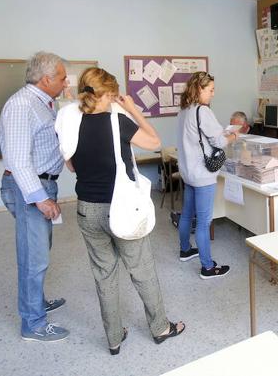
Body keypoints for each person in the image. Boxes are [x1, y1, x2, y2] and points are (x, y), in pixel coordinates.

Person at [56, 67, 185, 354]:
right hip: (122, 208)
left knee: (104, 274)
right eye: (113, 94)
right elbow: (155, 142)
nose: (116, 99)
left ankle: (114, 338)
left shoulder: (70, 122)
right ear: (105, 95)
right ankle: (160, 328)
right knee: (142, 270)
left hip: (88, 210)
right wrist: (134, 110)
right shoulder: (119, 122)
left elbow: (71, 165)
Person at [0, 51, 69, 342]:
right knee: (33, 258)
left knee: (40, 252)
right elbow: (17, 160)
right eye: (63, 78)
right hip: (29, 188)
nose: (66, 83)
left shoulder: (44, 104)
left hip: (43, 185)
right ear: (46, 78)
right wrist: (40, 198)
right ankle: (33, 323)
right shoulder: (21, 105)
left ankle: (36, 302)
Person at [177, 71, 238, 279]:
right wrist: (234, 135)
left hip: (188, 172)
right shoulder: (203, 111)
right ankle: (208, 267)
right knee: (204, 222)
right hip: (203, 175)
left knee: (186, 214)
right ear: (199, 89)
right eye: (210, 90)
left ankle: (185, 250)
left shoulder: (184, 110)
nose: (213, 94)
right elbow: (219, 142)